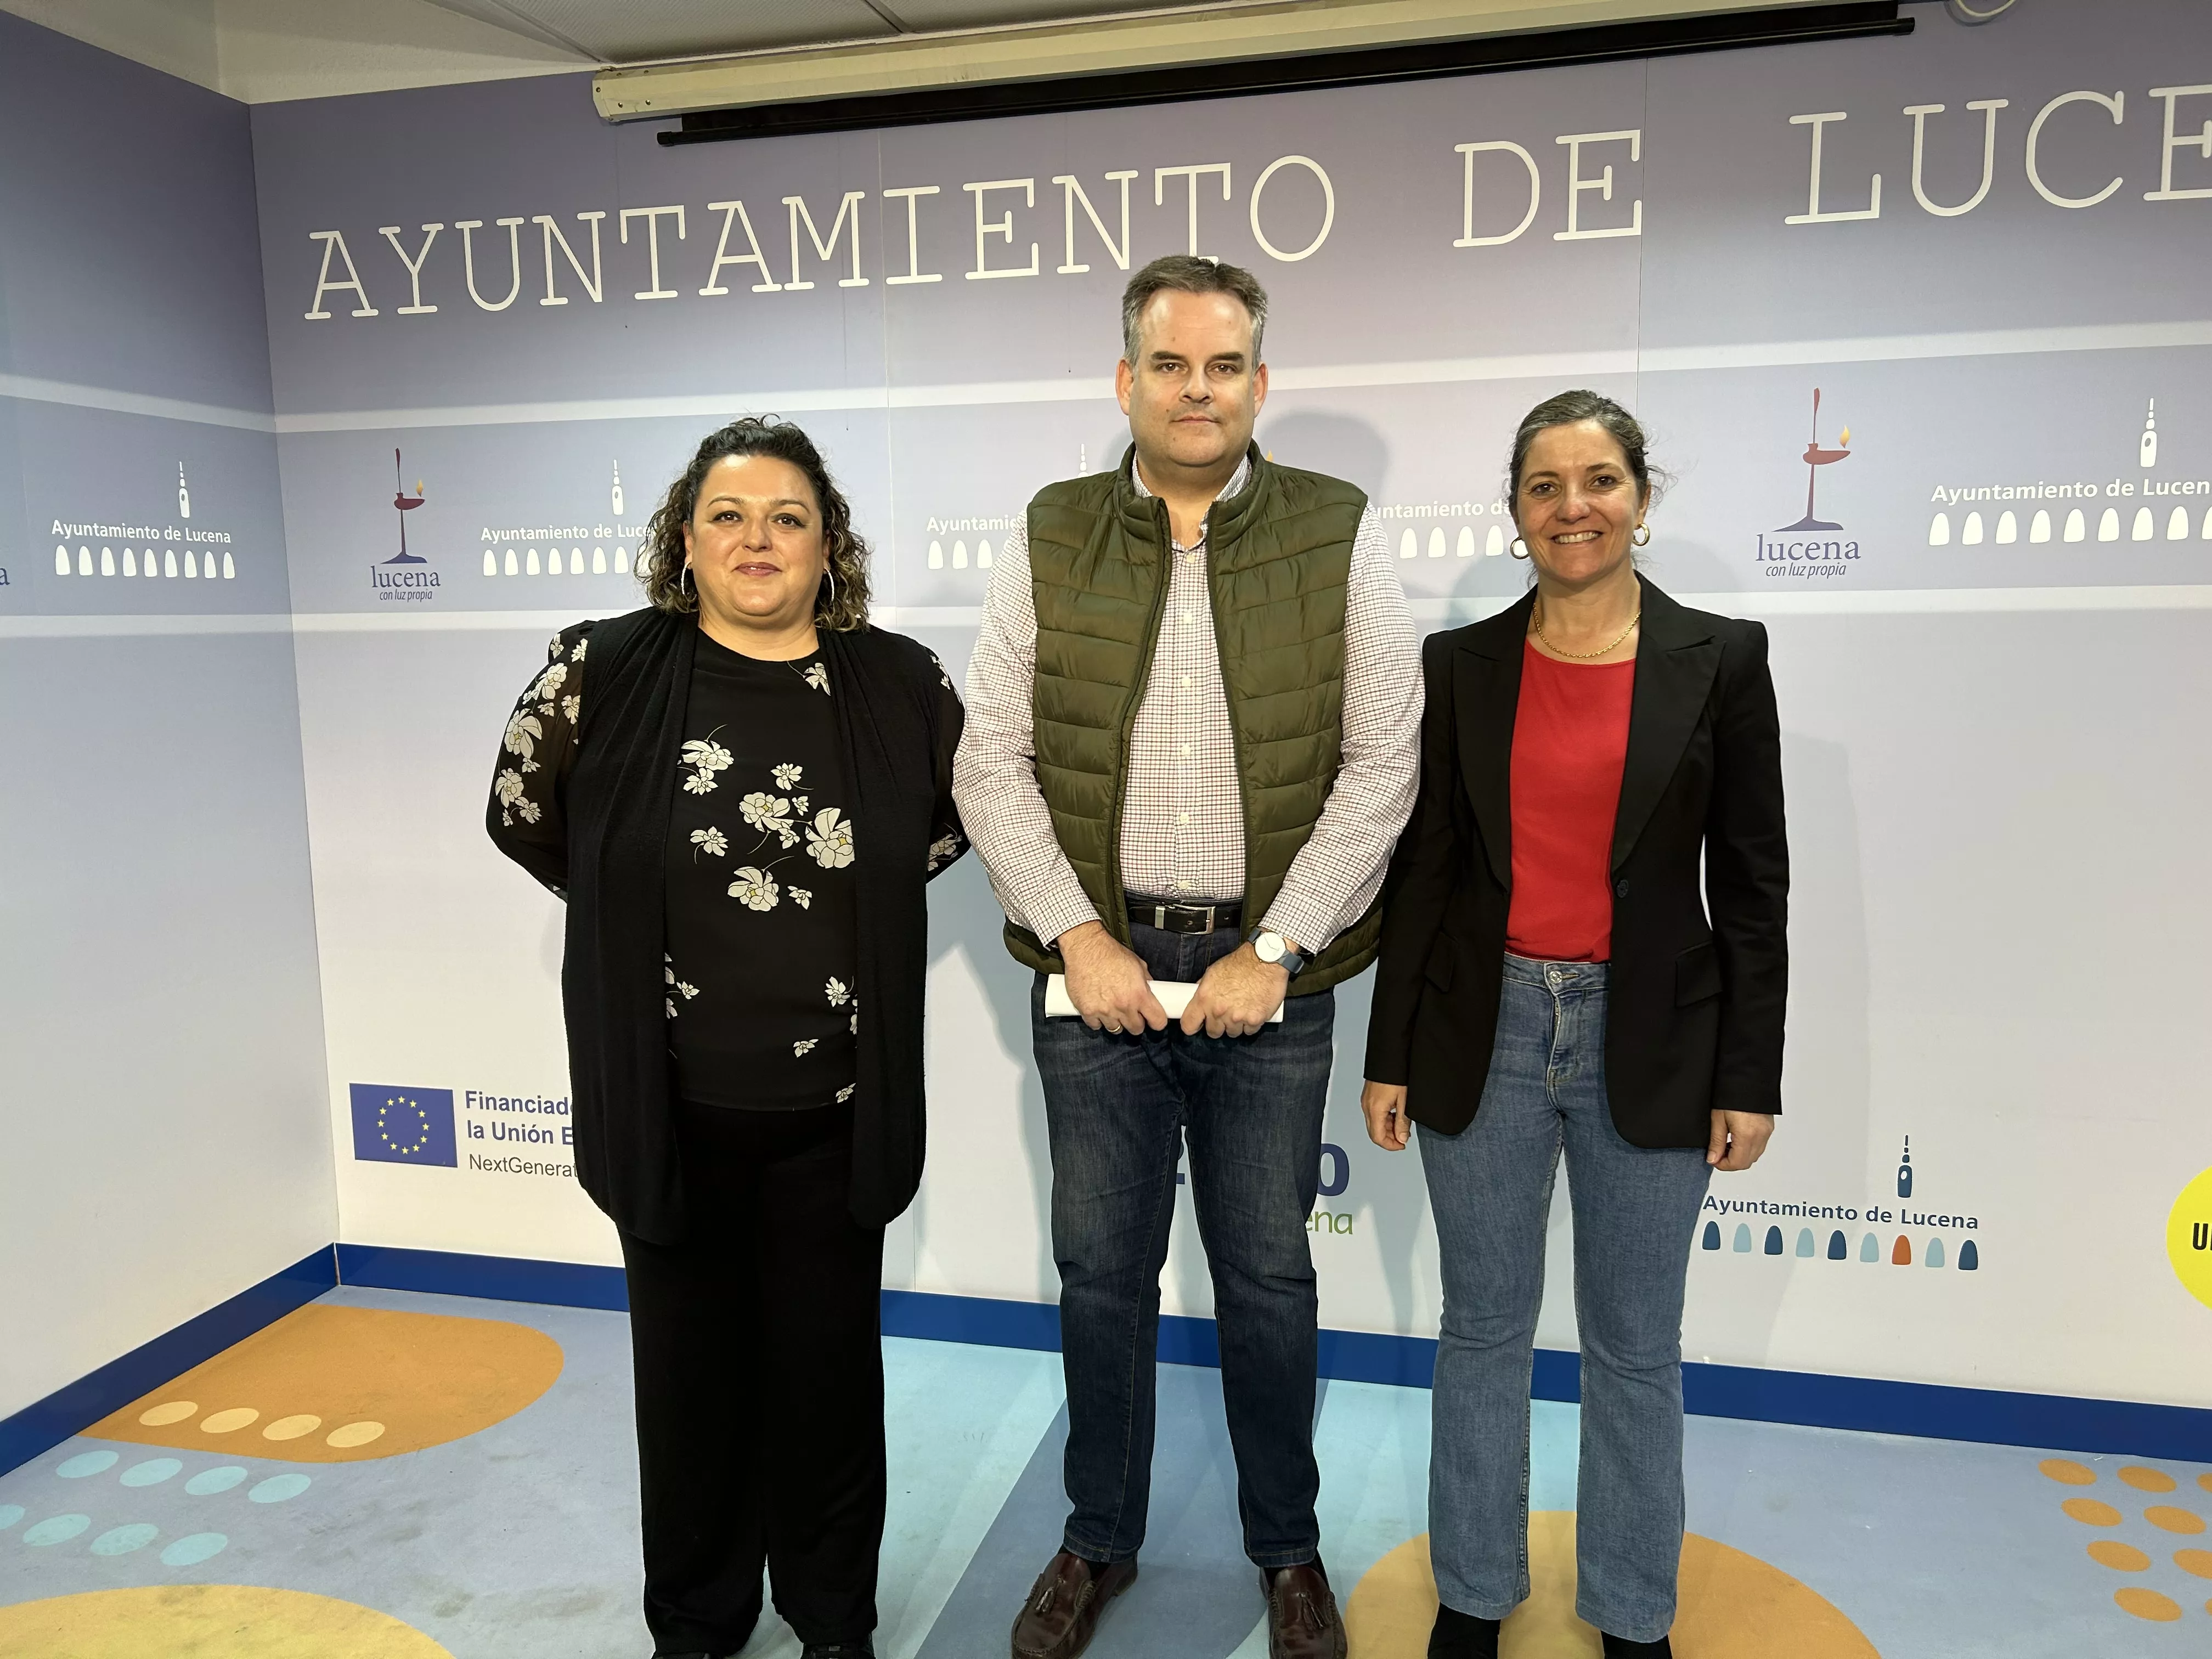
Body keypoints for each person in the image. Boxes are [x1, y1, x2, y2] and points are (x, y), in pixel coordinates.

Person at [955, 255, 1420, 1659]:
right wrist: (1080, 936)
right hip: (1093, 985)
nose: (1197, 389)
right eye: (1171, 364)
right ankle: (1098, 1541)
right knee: (1102, 1276)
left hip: (1264, 987)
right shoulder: (1051, 534)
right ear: (1127, 381)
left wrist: (1277, 946)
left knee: (1269, 1279)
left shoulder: (1338, 531)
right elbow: (992, 757)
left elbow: (1383, 760)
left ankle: (1289, 1553)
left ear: (1259, 385)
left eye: (1224, 366)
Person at [486, 416, 967, 1659]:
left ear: (829, 545)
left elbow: (948, 832)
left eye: (788, 518)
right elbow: (526, 817)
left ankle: (831, 1621)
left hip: (834, 1119)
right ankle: (697, 1624)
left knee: (825, 1392)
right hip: (669, 1114)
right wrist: (635, 903)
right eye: (729, 516)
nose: (758, 541)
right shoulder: (599, 669)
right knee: (688, 1397)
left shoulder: (903, 685)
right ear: (684, 540)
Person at [1360, 391, 1788, 1658]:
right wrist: (1389, 1052)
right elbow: (1424, 871)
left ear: (1640, 500)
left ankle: (1633, 1615)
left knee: (1635, 1352)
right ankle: (1475, 1598)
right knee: (1482, 1333)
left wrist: (1750, 1076)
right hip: (1480, 1028)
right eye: (1545, 487)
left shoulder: (1724, 658)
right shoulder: (1460, 667)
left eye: (1598, 481)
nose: (1573, 508)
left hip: (1654, 1039)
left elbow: (1753, 888)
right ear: (1516, 514)